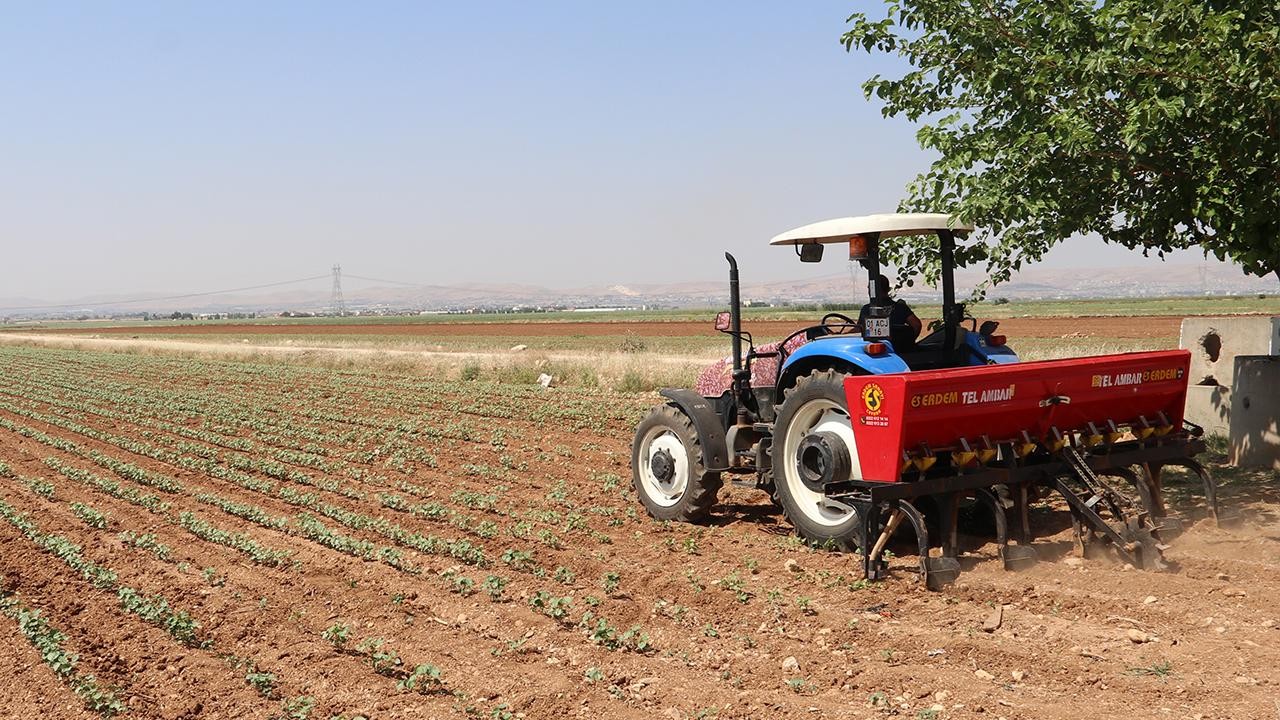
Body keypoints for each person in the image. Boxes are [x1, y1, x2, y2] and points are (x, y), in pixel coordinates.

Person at [857, 274, 922, 350]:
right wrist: (907, 344)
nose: (868, 290)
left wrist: (843, 334)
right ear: (887, 289)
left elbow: (858, 329)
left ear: (873, 290)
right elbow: (916, 325)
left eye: (869, 288)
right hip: (899, 351)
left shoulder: (867, 309)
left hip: (875, 351)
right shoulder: (901, 308)